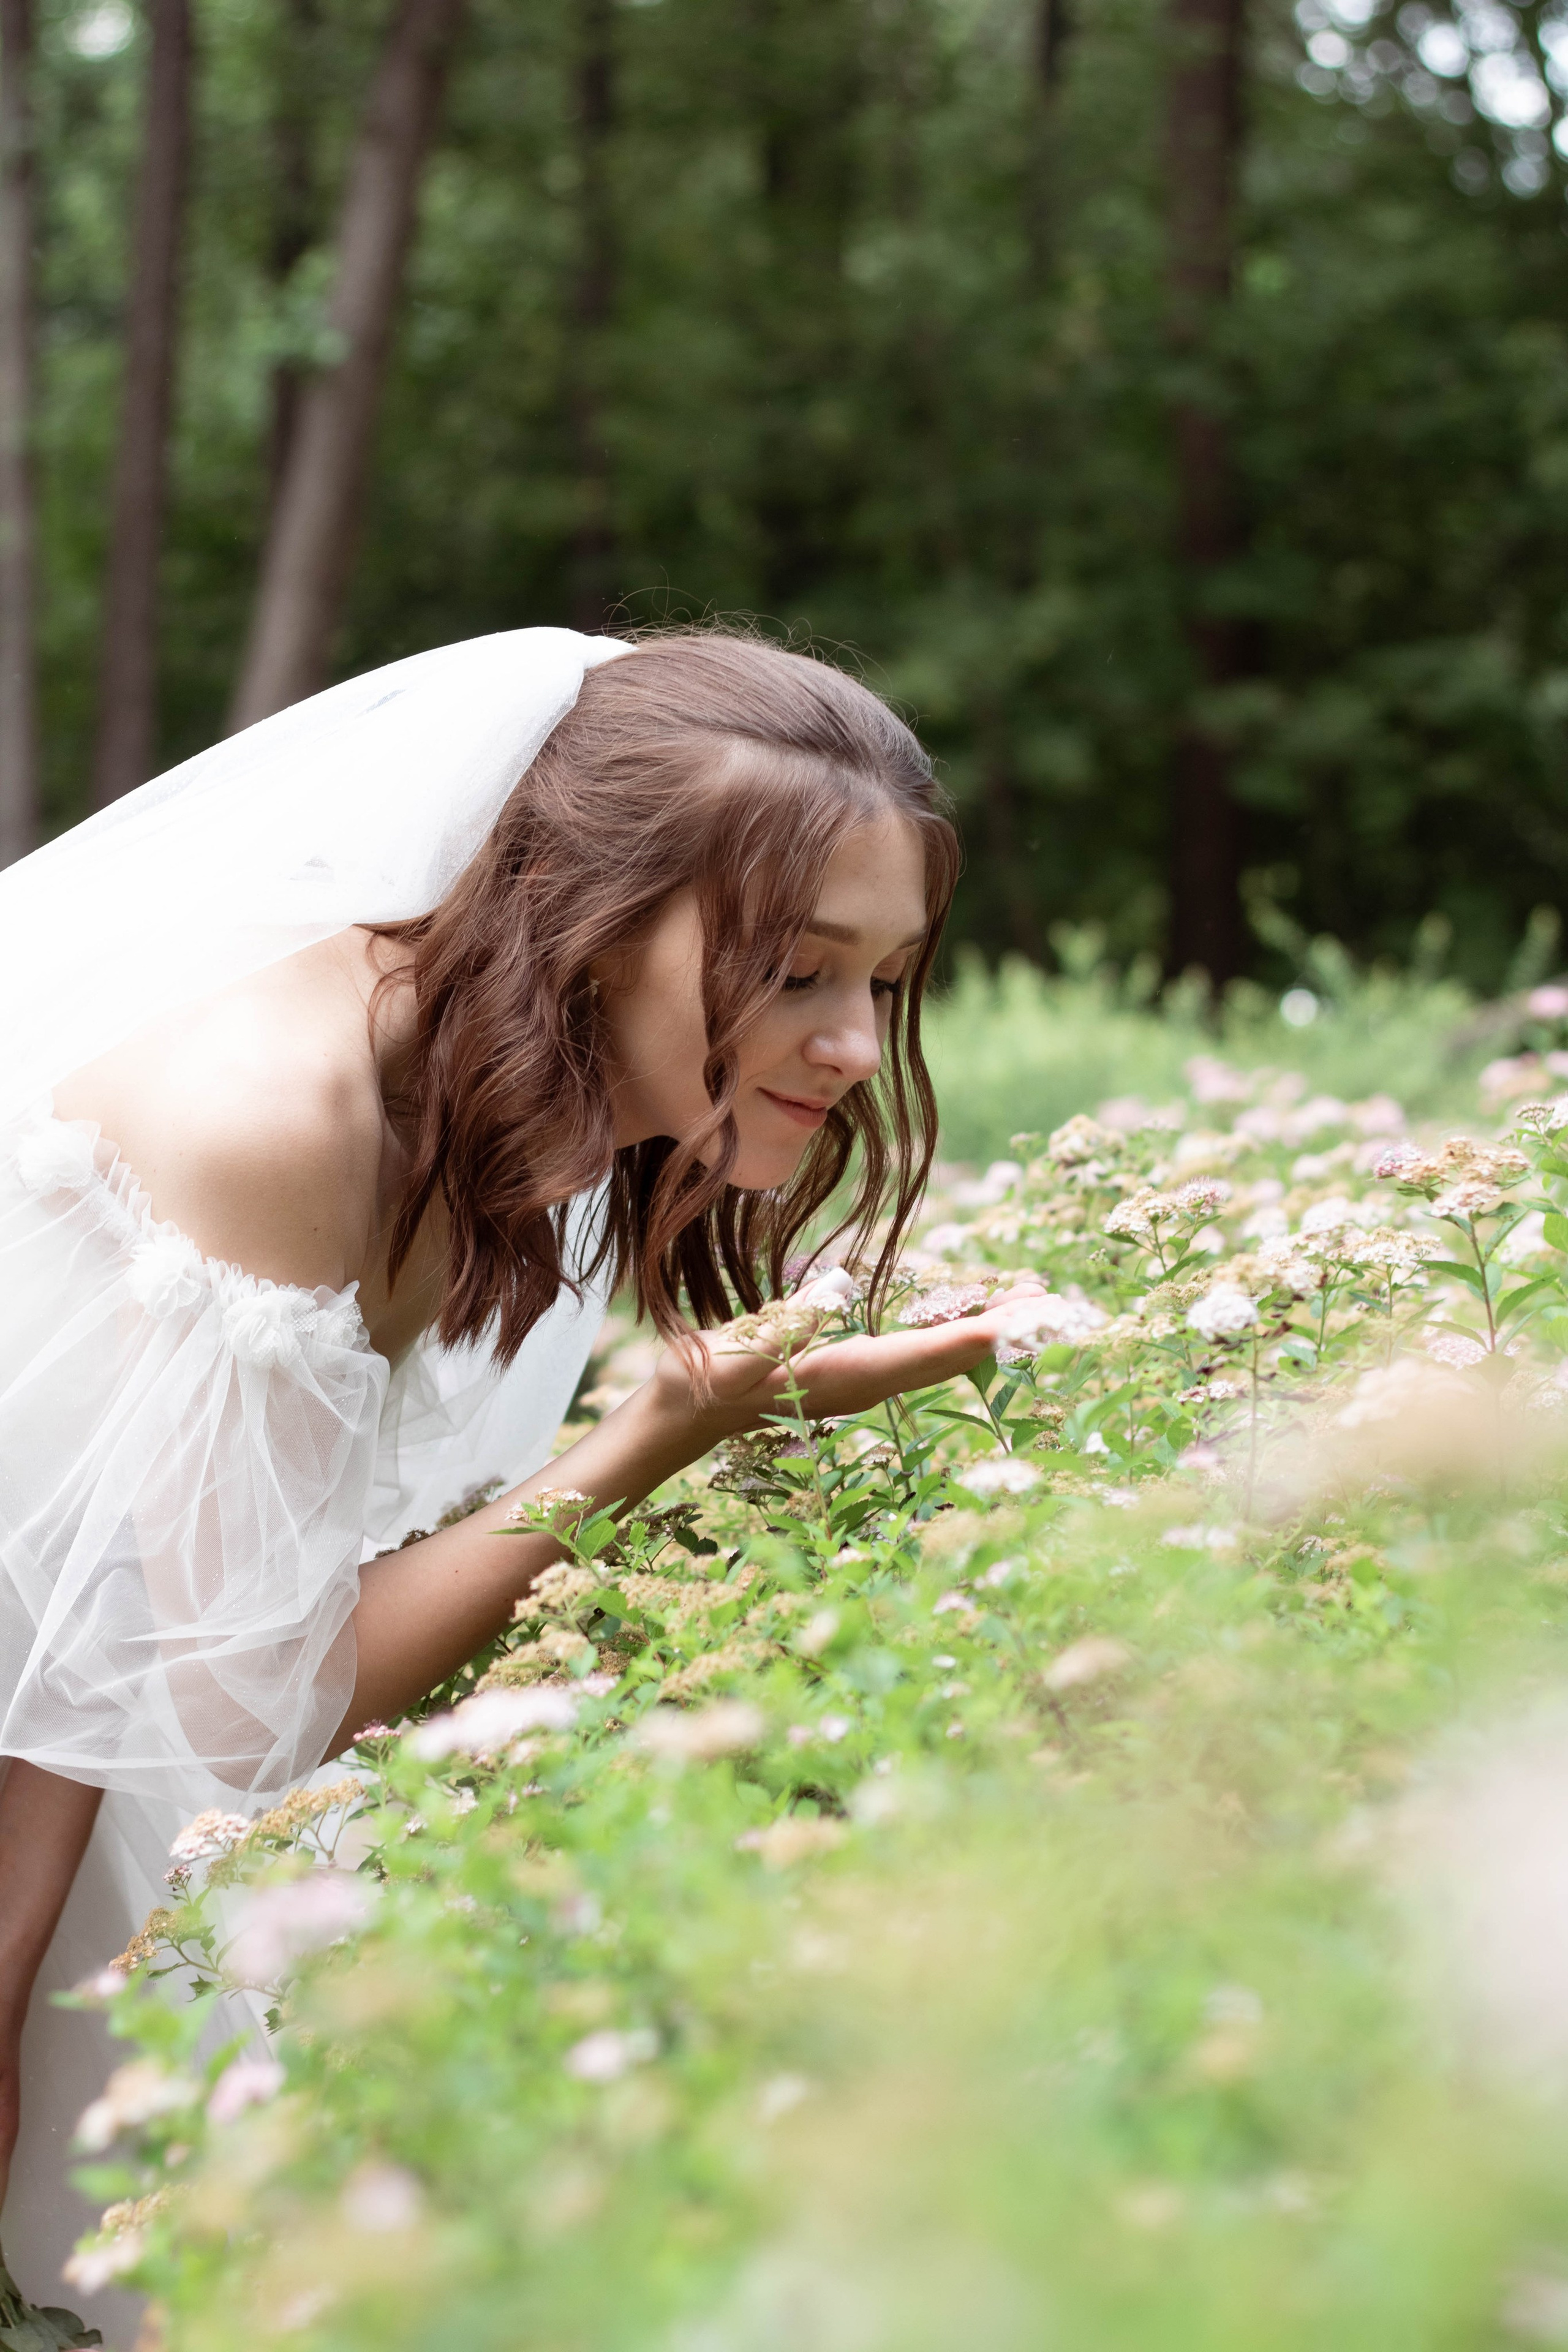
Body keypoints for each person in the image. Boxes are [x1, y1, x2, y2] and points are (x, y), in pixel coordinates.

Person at [0, 625, 1042, 2324]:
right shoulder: (284, 1114)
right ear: (582, 908)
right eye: (794, 968)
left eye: (887, 980)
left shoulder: (510, 1090)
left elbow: (134, 1620)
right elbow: (245, 1705)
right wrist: (660, 1430)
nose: (855, 1045)